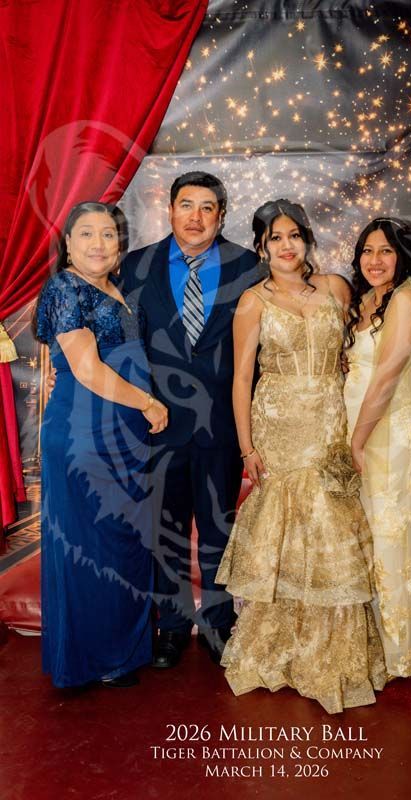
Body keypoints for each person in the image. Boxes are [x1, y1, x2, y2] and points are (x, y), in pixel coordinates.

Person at [216, 199, 386, 714]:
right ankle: (281, 649)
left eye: (293, 235)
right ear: (262, 247)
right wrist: (247, 447)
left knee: (331, 526)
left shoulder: (336, 287)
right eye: (275, 238)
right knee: (287, 532)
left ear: (305, 239)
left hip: (330, 419)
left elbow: (359, 352)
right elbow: (242, 379)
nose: (286, 246)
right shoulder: (251, 303)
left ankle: (332, 655)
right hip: (279, 423)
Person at [120, 172, 263, 668]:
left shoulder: (250, 267)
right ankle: (173, 626)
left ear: (221, 214)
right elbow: (125, 352)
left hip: (223, 425)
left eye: (207, 207)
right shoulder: (136, 268)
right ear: (170, 211)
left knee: (220, 528)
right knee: (166, 531)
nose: (196, 217)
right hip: (157, 427)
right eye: (186, 205)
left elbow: (261, 354)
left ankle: (220, 624)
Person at [33, 201, 168, 688]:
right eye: (85, 234)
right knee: (91, 541)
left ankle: (121, 653)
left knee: (123, 539)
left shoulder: (114, 287)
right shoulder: (66, 287)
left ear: (120, 243)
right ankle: (90, 659)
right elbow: (87, 370)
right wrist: (149, 403)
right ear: (67, 243)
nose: (97, 243)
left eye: (108, 234)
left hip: (123, 430)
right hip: (86, 429)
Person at [344, 217, 411, 679]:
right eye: (367, 251)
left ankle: (398, 650)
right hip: (366, 429)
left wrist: (356, 441)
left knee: (392, 536)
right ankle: (374, 641)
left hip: (391, 433)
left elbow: (385, 379)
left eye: (385, 251)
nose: (375, 260)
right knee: (370, 537)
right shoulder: (368, 301)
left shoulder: (406, 301)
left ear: (402, 255)